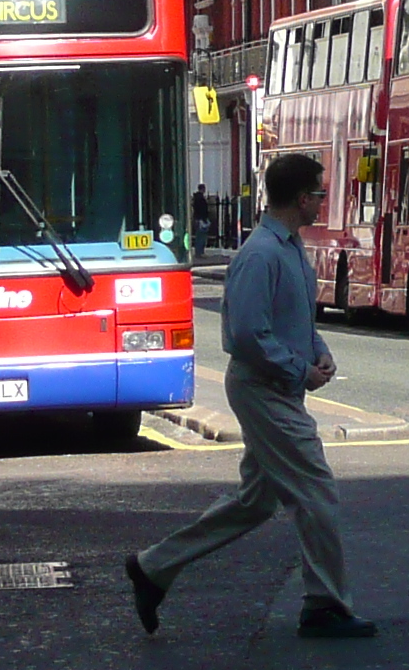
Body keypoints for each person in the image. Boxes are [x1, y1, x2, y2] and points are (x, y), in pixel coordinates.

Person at [124, 150, 374, 638]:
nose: (323, 202)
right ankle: (324, 605)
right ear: (302, 198)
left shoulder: (288, 248)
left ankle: (154, 567)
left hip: (280, 386)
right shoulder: (260, 254)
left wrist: (317, 352)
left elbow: (294, 319)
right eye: (320, 194)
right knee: (317, 491)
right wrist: (299, 371)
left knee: (255, 502)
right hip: (265, 391)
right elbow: (245, 335)